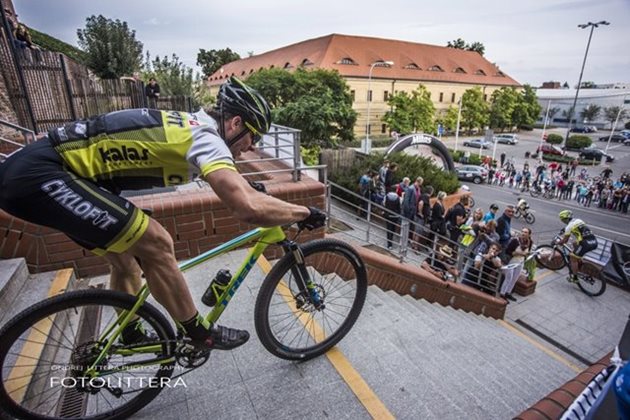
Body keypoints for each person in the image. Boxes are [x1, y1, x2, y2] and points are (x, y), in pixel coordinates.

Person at [0, 76, 326, 351]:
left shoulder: (196, 127)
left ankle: (129, 333)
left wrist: (245, 185)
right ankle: (199, 332)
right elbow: (247, 208)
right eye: (253, 134)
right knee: (157, 242)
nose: (252, 146)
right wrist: (302, 212)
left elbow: (228, 182)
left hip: (35, 172)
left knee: (126, 260)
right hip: (45, 175)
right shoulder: (207, 139)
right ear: (235, 122)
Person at [557, 210, 598, 283]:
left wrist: (558, 243)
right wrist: (564, 230)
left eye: (562, 220)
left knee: (572, 257)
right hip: (594, 241)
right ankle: (579, 260)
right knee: (574, 243)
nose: (562, 221)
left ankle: (574, 278)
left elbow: (565, 241)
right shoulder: (579, 220)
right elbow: (572, 226)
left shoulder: (568, 227)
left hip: (585, 244)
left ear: (565, 219)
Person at [500, 227, 532, 302]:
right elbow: (508, 251)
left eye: (525, 232)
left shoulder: (529, 242)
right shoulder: (515, 241)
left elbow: (527, 252)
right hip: (512, 261)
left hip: (520, 261)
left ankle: (508, 292)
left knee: (515, 278)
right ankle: (502, 293)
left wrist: (526, 254)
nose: (523, 233)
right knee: (509, 278)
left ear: (529, 234)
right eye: (522, 231)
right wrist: (517, 253)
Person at [383, 185, 401, 250]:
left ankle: (389, 244)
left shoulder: (386, 196)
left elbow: (384, 203)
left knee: (389, 228)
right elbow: (399, 207)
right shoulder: (398, 198)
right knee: (393, 228)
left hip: (388, 215)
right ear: (396, 190)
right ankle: (391, 238)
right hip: (395, 216)